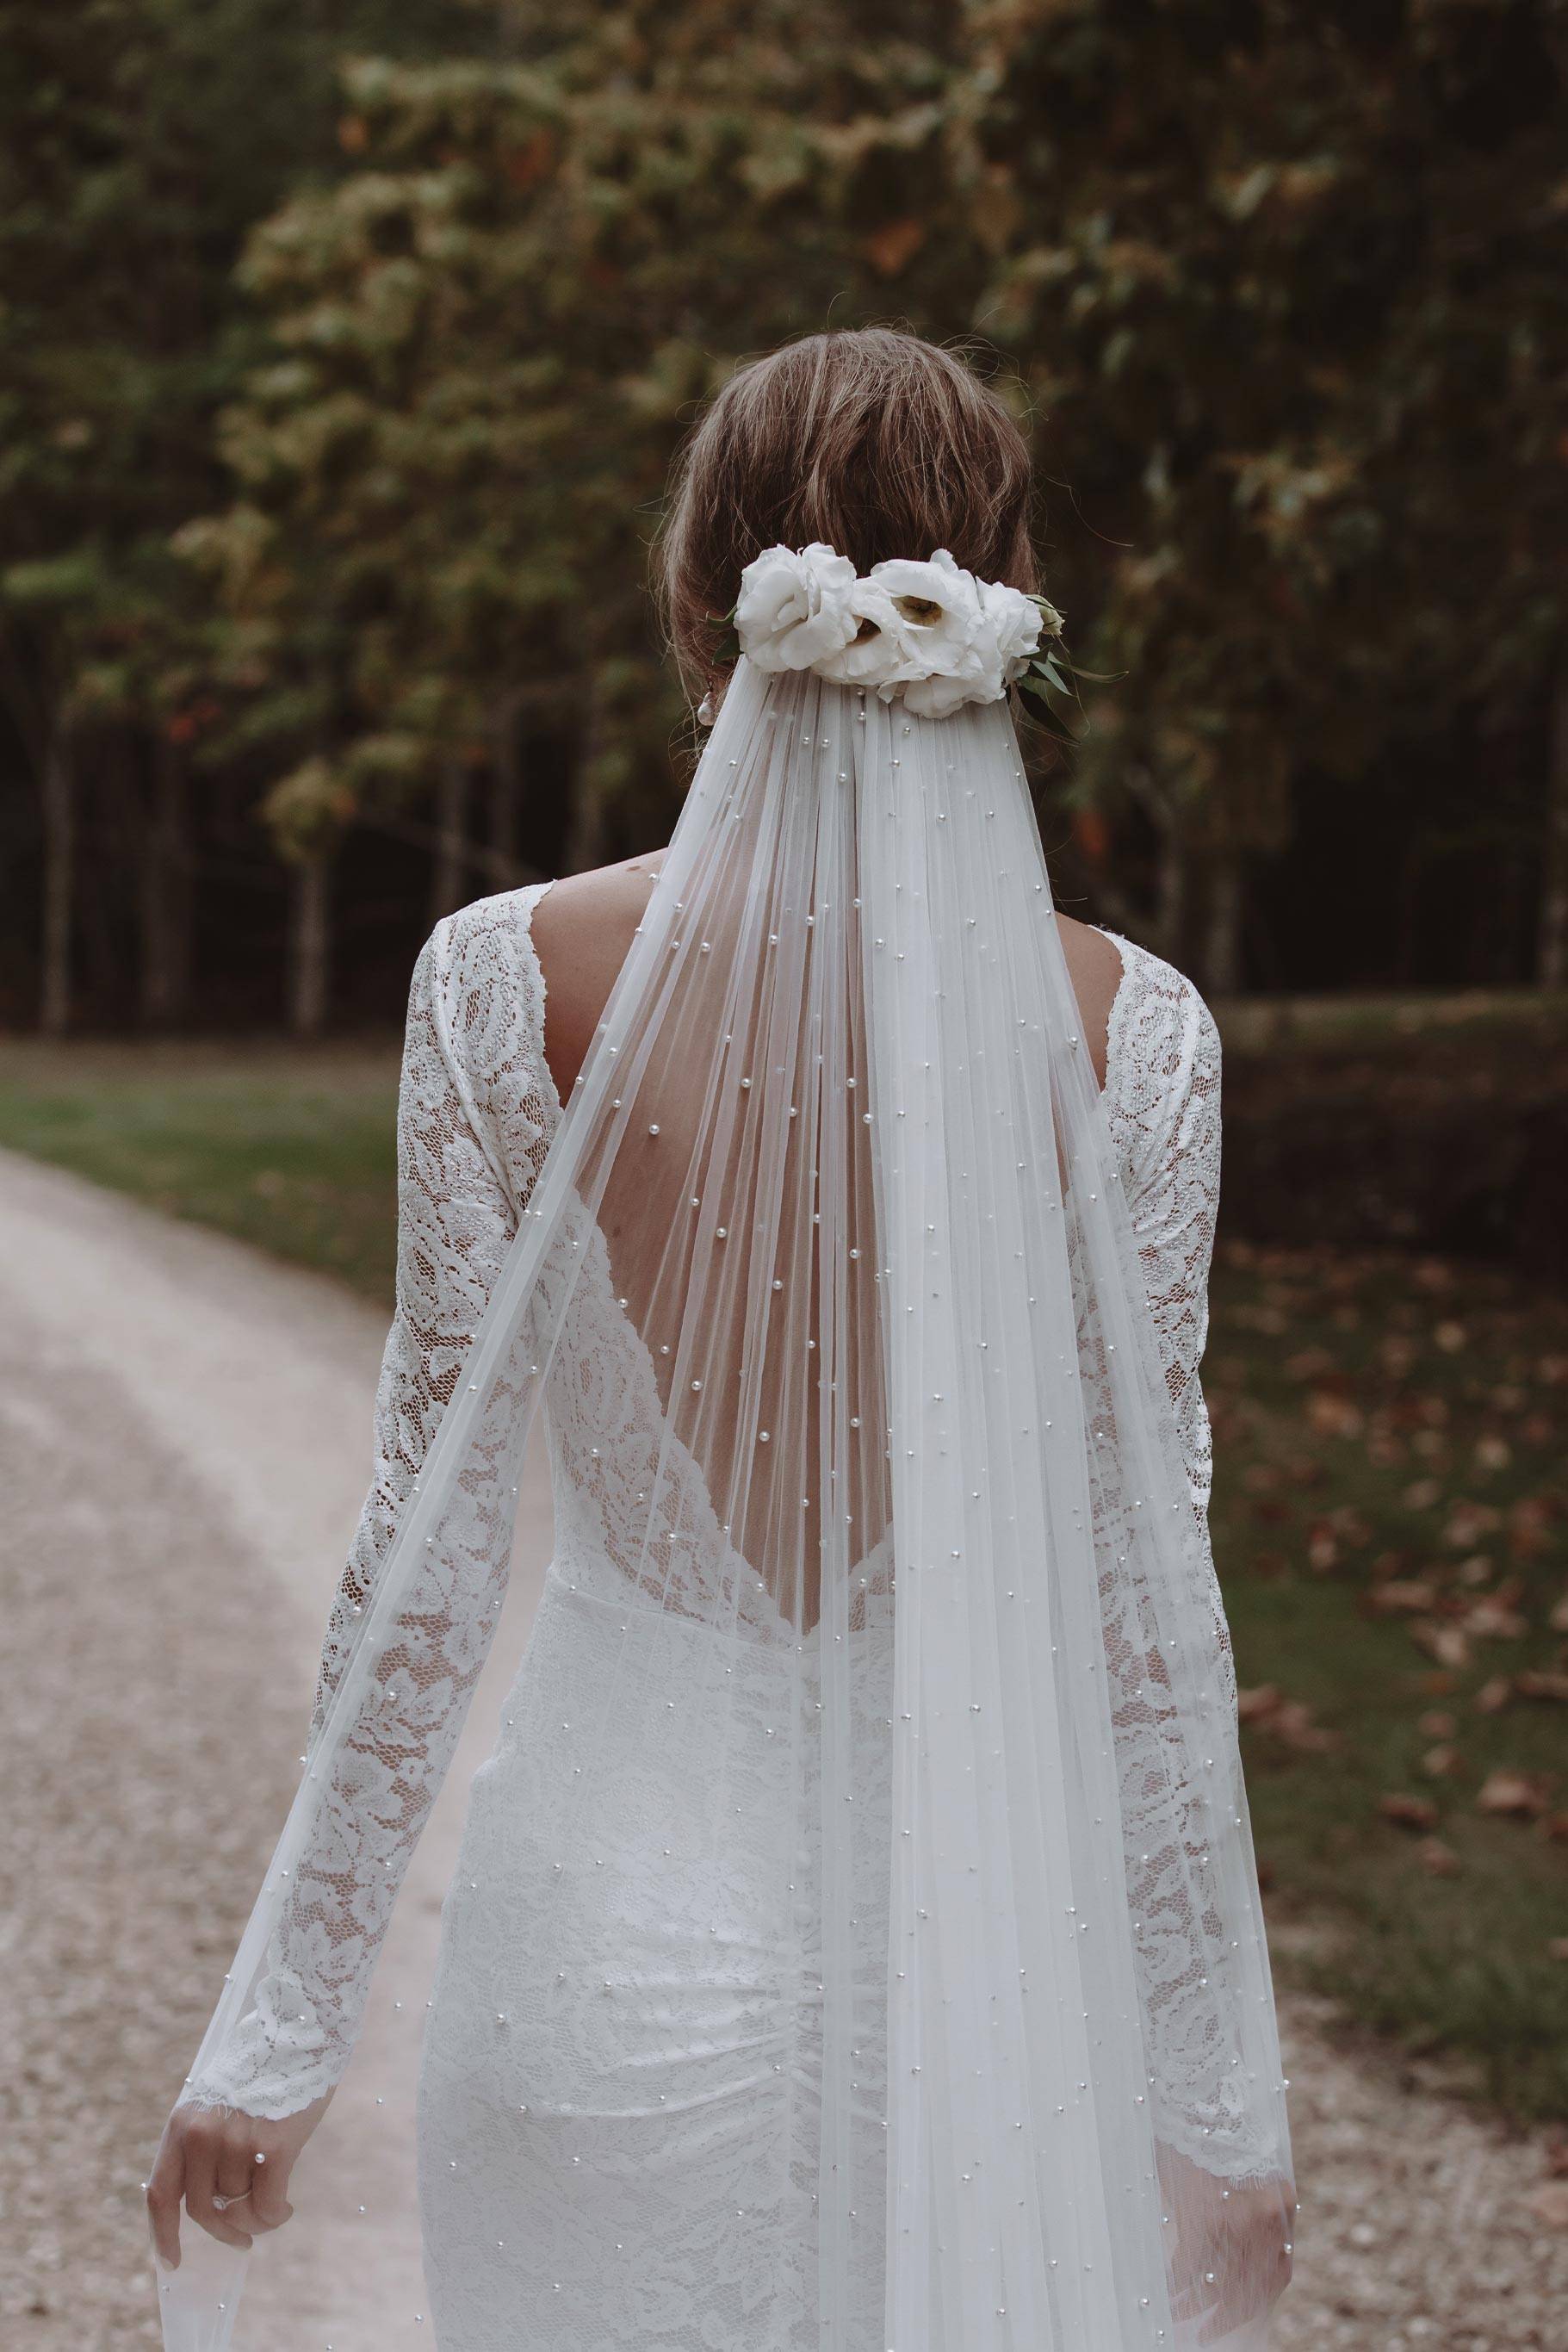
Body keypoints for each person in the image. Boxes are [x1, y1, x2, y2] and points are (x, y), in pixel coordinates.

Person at [148, 326, 1294, 2351]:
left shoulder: (506, 982)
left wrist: (279, 2030)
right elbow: (1145, 1612)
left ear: (704, 610)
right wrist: (1212, 2099)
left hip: (602, 1946)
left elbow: (420, 1544)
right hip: (985, 2012)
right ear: (1004, 613)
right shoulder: (1139, 1039)